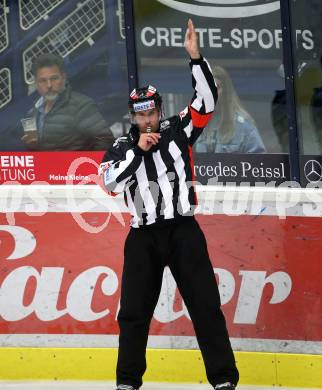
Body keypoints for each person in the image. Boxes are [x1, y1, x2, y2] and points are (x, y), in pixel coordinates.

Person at [99, 19, 239, 390]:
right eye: (140, 115)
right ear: (133, 117)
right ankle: (127, 383)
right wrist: (138, 153)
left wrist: (195, 57)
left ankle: (224, 380)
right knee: (132, 315)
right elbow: (110, 183)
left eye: (151, 113)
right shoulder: (120, 148)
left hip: (183, 232)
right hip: (143, 236)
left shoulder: (179, 130)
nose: (146, 120)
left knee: (206, 307)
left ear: (159, 110)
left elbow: (207, 102)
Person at [18, 53, 114, 150]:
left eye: (54, 78)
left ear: (63, 78)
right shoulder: (34, 111)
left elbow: (106, 142)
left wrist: (80, 163)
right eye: (43, 80)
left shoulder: (81, 105)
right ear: (36, 83)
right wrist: (33, 147)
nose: (49, 85)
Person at [195, 65, 265, 153]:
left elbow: (260, 162)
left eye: (217, 87)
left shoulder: (243, 126)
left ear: (226, 91)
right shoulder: (196, 123)